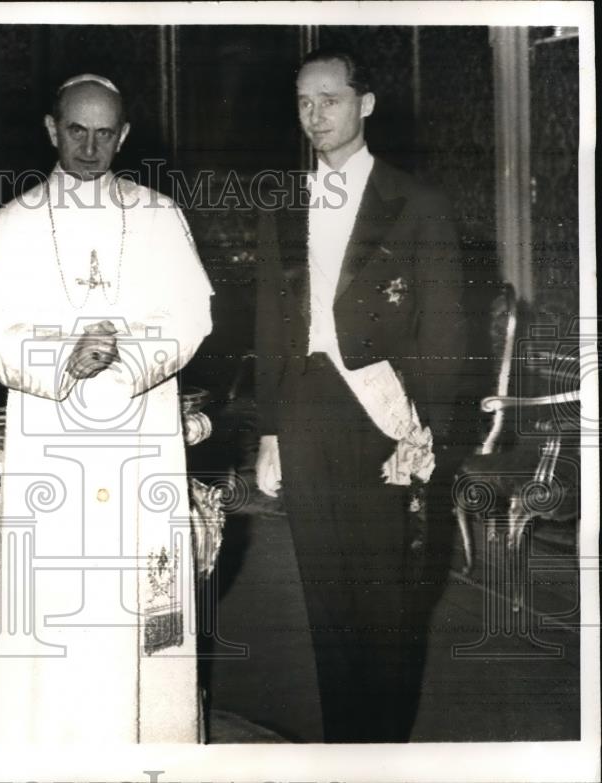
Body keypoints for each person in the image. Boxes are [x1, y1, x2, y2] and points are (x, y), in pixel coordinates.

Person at [0, 74, 214, 744]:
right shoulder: (12, 222)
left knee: (140, 609)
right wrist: (63, 356)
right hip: (52, 445)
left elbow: (192, 318)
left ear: (124, 135)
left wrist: (126, 358)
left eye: (105, 134)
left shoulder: (159, 215)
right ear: (51, 129)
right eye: (76, 131)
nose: (90, 147)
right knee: (59, 612)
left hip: (139, 436)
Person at [253, 48, 467, 742]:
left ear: (365, 104)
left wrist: (426, 429)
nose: (315, 116)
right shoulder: (280, 203)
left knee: (388, 600)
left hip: (382, 413)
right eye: (303, 102)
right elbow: (267, 322)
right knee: (325, 596)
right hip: (303, 408)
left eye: (330, 100)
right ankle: (346, 749)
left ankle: (386, 748)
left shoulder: (417, 202)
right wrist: (268, 432)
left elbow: (444, 326)